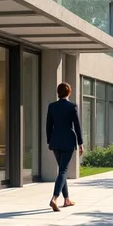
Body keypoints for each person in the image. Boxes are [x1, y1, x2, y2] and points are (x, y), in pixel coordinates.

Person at [46, 82, 83, 212]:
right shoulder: (72, 106)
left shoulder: (52, 106)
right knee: (63, 170)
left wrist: (50, 141)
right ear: (69, 93)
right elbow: (77, 126)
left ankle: (66, 199)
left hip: (55, 142)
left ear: (58, 92)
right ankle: (54, 198)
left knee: (62, 170)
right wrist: (80, 143)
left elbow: (48, 126)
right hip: (68, 141)